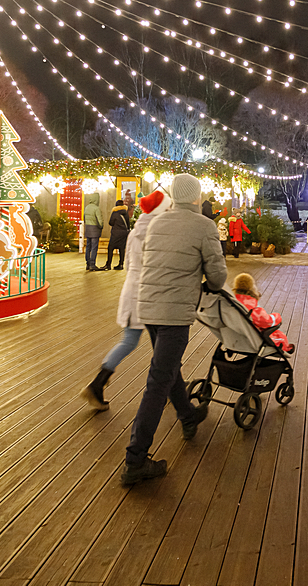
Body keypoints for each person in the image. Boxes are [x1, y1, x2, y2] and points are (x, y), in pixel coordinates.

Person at [123, 173, 226, 486]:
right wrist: (207, 282)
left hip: (149, 307)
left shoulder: (157, 222)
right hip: (173, 313)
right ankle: (136, 460)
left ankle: (187, 415)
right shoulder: (204, 225)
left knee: (166, 369)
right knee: (158, 380)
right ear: (195, 197)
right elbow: (218, 275)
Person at [84, 189, 172, 411]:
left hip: (133, 293)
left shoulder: (138, 230)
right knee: (164, 348)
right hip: (148, 298)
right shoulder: (156, 233)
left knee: (132, 342)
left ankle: (98, 383)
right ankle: (173, 390)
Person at [231, 272, 295, 354]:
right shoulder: (254, 310)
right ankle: (286, 347)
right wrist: (277, 316)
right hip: (253, 340)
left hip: (236, 338)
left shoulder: (232, 305)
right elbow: (267, 322)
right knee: (277, 334)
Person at [104, 199, 130, 270]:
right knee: (122, 249)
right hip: (123, 234)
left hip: (116, 233)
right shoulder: (126, 213)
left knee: (110, 248)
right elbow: (128, 224)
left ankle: (108, 264)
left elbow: (111, 223)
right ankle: (121, 264)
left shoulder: (115, 213)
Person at [83, 192, 104, 271]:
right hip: (95, 229)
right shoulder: (96, 208)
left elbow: (84, 218)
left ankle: (87, 264)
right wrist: (101, 226)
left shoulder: (87, 207)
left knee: (88, 247)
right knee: (94, 247)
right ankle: (92, 264)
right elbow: (99, 221)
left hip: (88, 228)